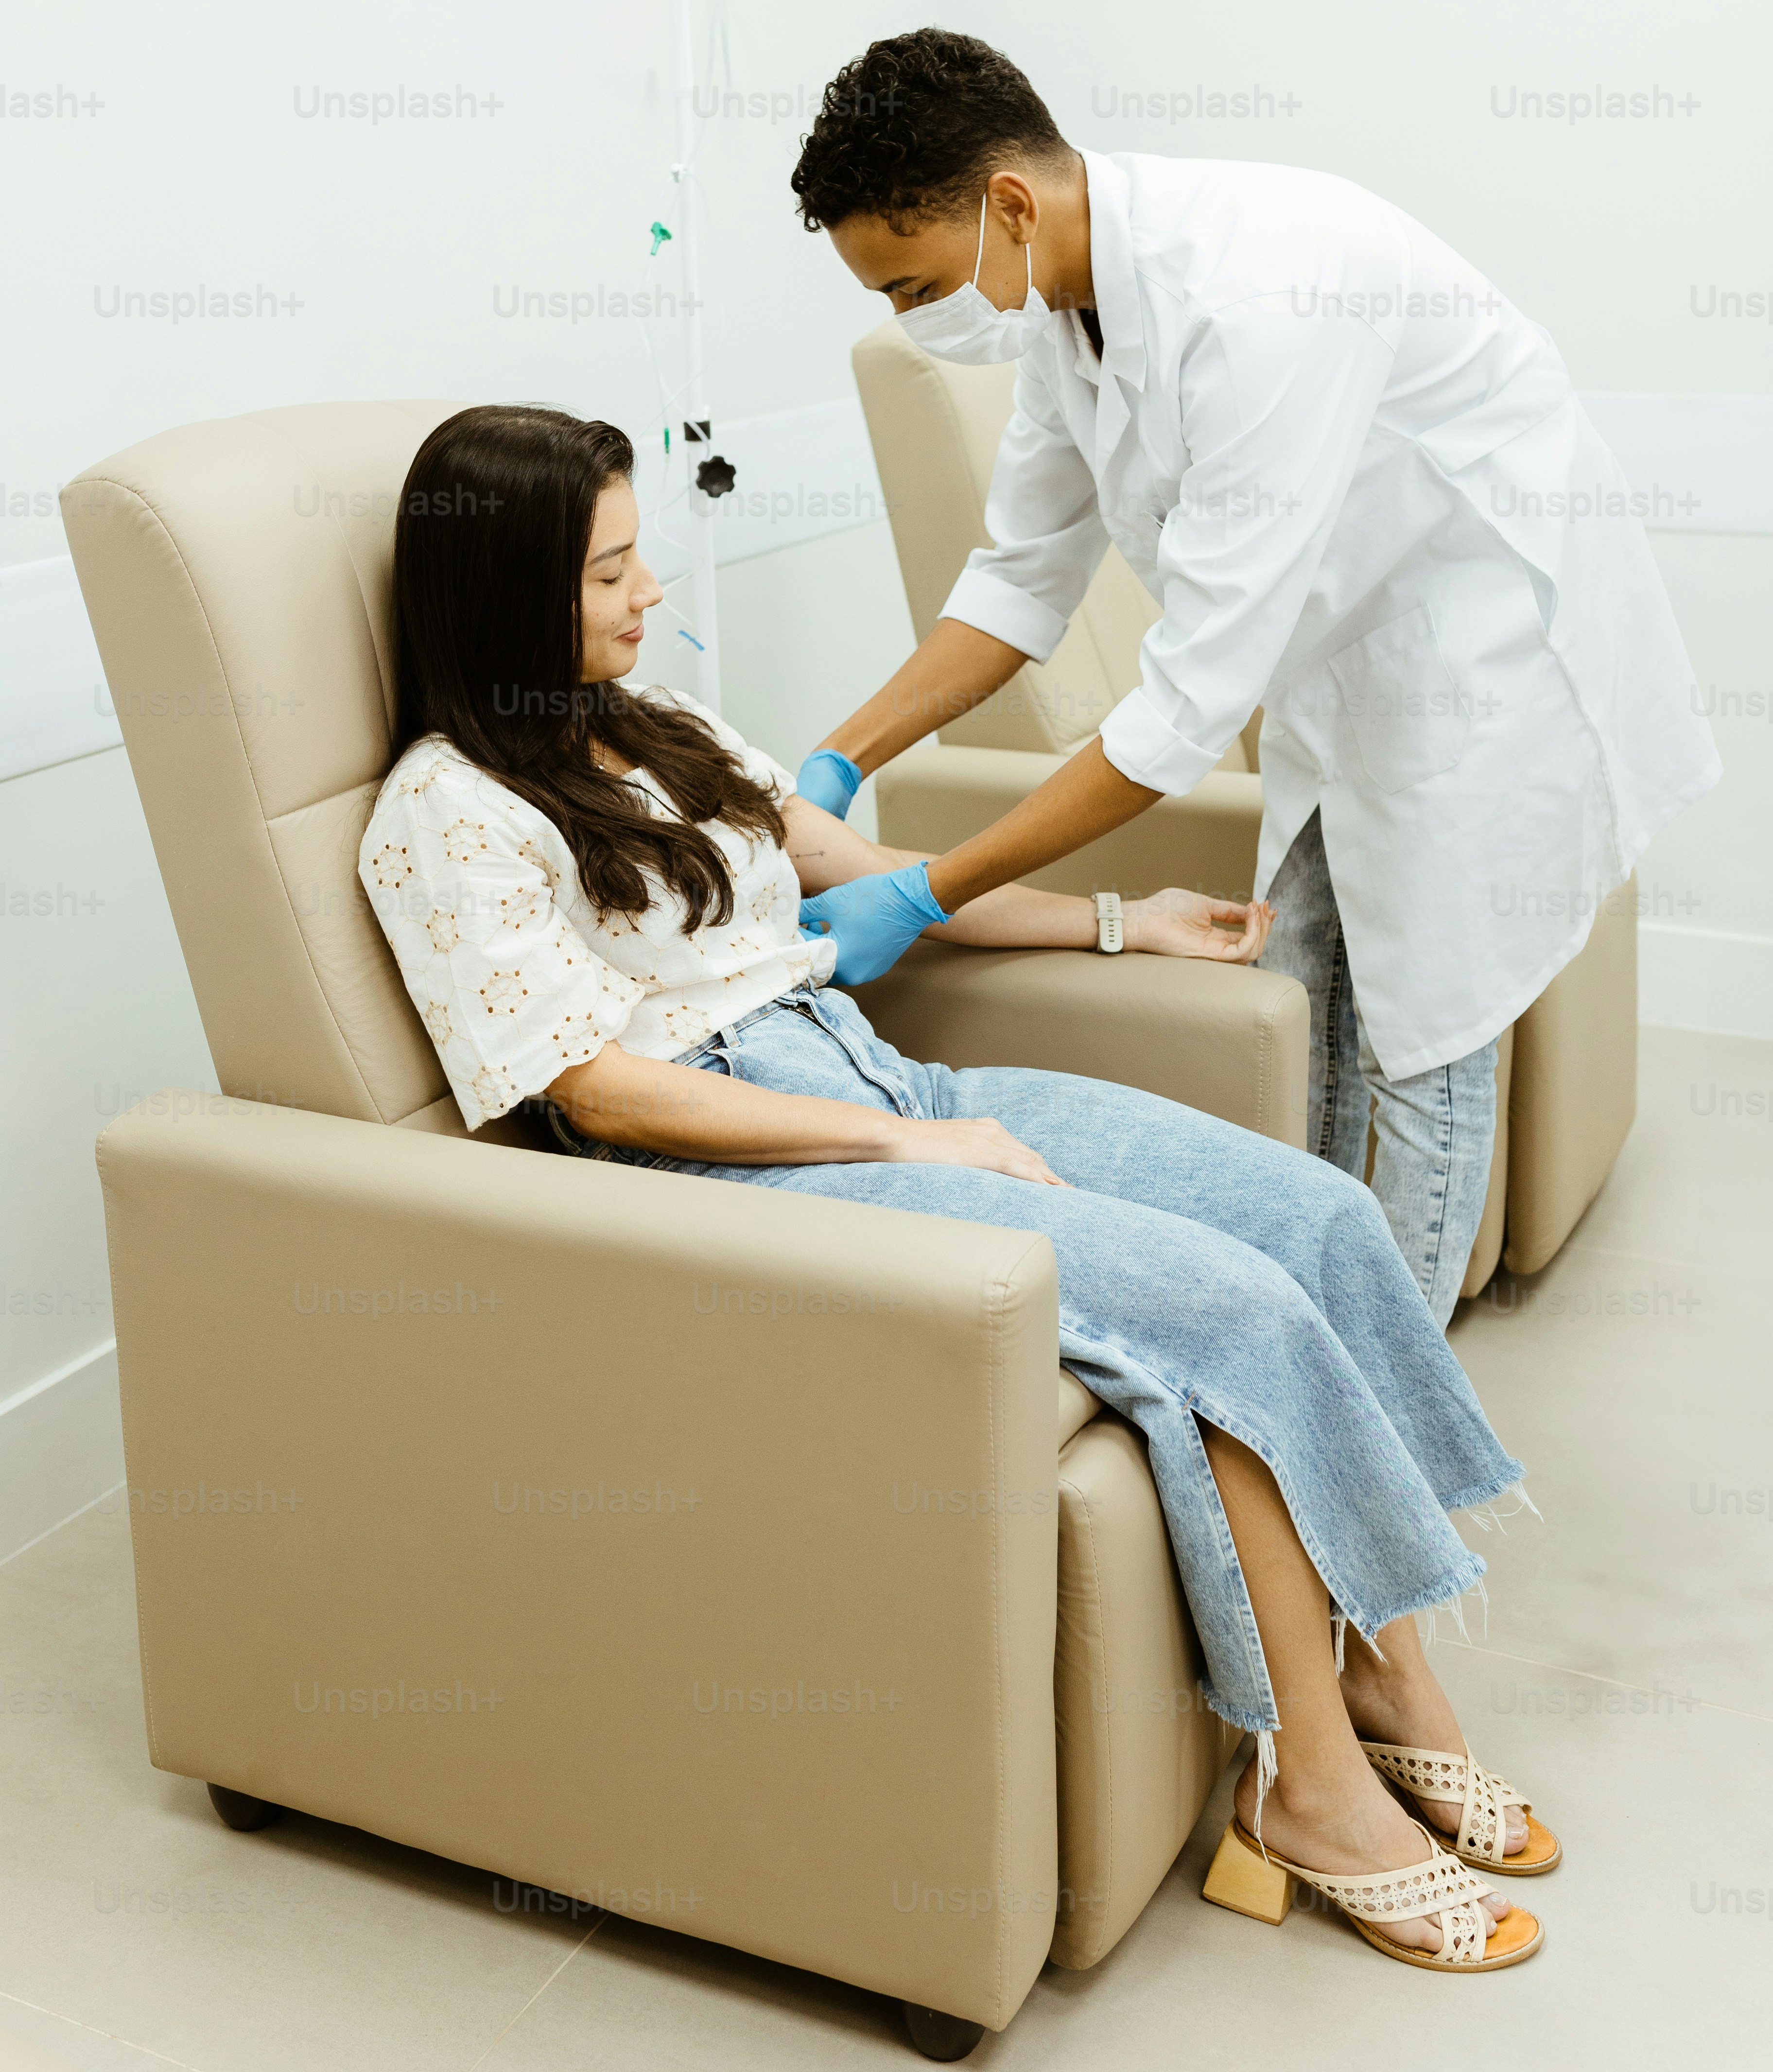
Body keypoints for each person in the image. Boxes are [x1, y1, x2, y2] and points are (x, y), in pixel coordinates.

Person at [359, 401, 1561, 1973]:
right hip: (744, 1172)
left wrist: (1119, 926)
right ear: (504, 591)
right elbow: (591, 1087)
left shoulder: (660, 728)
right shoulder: (442, 815)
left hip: (873, 1076)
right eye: (608, 575)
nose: (647, 596)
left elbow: (890, 890)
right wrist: (908, 1149)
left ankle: (1394, 1684)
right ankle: (1312, 1795)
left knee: (1318, 1216)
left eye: (640, 558)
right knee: (1226, 1311)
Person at [785, 29, 1721, 1327]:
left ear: (1006, 205)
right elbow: (1018, 585)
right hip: (1345, 643)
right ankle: (1326, 1323)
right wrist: (832, 762)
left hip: (1481, 636)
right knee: (1310, 972)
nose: (912, 317)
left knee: (1425, 1029)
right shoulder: (1065, 310)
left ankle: (1394, 1413)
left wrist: (926, 892)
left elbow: (1179, 715)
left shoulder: (1258, 297)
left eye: (910, 283)